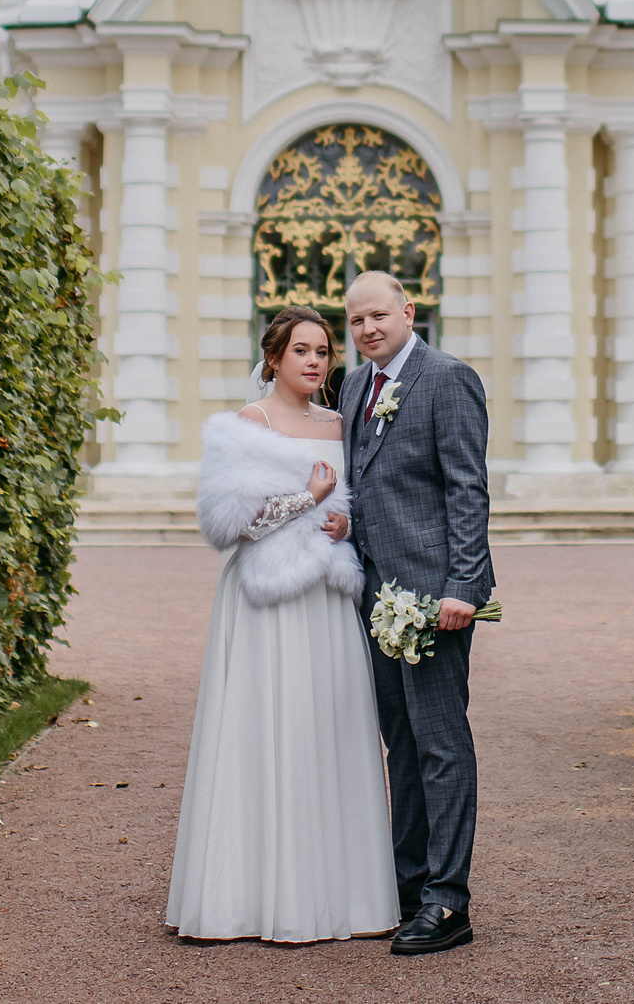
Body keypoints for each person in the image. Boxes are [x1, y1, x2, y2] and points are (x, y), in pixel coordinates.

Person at [165, 307, 402, 943]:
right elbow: (230, 524)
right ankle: (245, 897)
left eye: (323, 350)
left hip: (326, 599)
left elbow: (351, 504)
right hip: (266, 604)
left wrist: (342, 522)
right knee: (263, 725)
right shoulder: (251, 423)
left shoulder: (340, 422)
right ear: (273, 358)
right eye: (301, 350)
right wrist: (310, 500)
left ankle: (342, 897)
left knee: (328, 725)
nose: (315, 361)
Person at [342, 269, 494, 955]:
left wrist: (464, 584)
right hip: (372, 596)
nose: (368, 329)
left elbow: (467, 486)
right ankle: (407, 890)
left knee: (440, 745)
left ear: (409, 309)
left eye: (378, 315)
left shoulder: (448, 377)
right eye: (355, 321)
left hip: (435, 598)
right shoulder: (351, 386)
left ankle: (448, 902)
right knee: (398, 745)